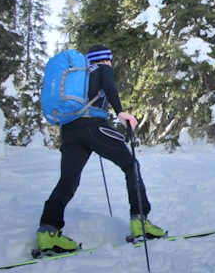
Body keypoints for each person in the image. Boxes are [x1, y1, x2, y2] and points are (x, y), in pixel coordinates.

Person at [36, 45, 164, 254]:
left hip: (69, 131)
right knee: (130, 165)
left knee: (68, 180)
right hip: (94, 127)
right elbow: (110, 88)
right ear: (105, 59)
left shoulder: (80, 78)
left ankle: (48, 232)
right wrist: (121, 113)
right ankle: (141, 222)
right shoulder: (102, 69)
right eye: (109, 60)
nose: (110, 63)